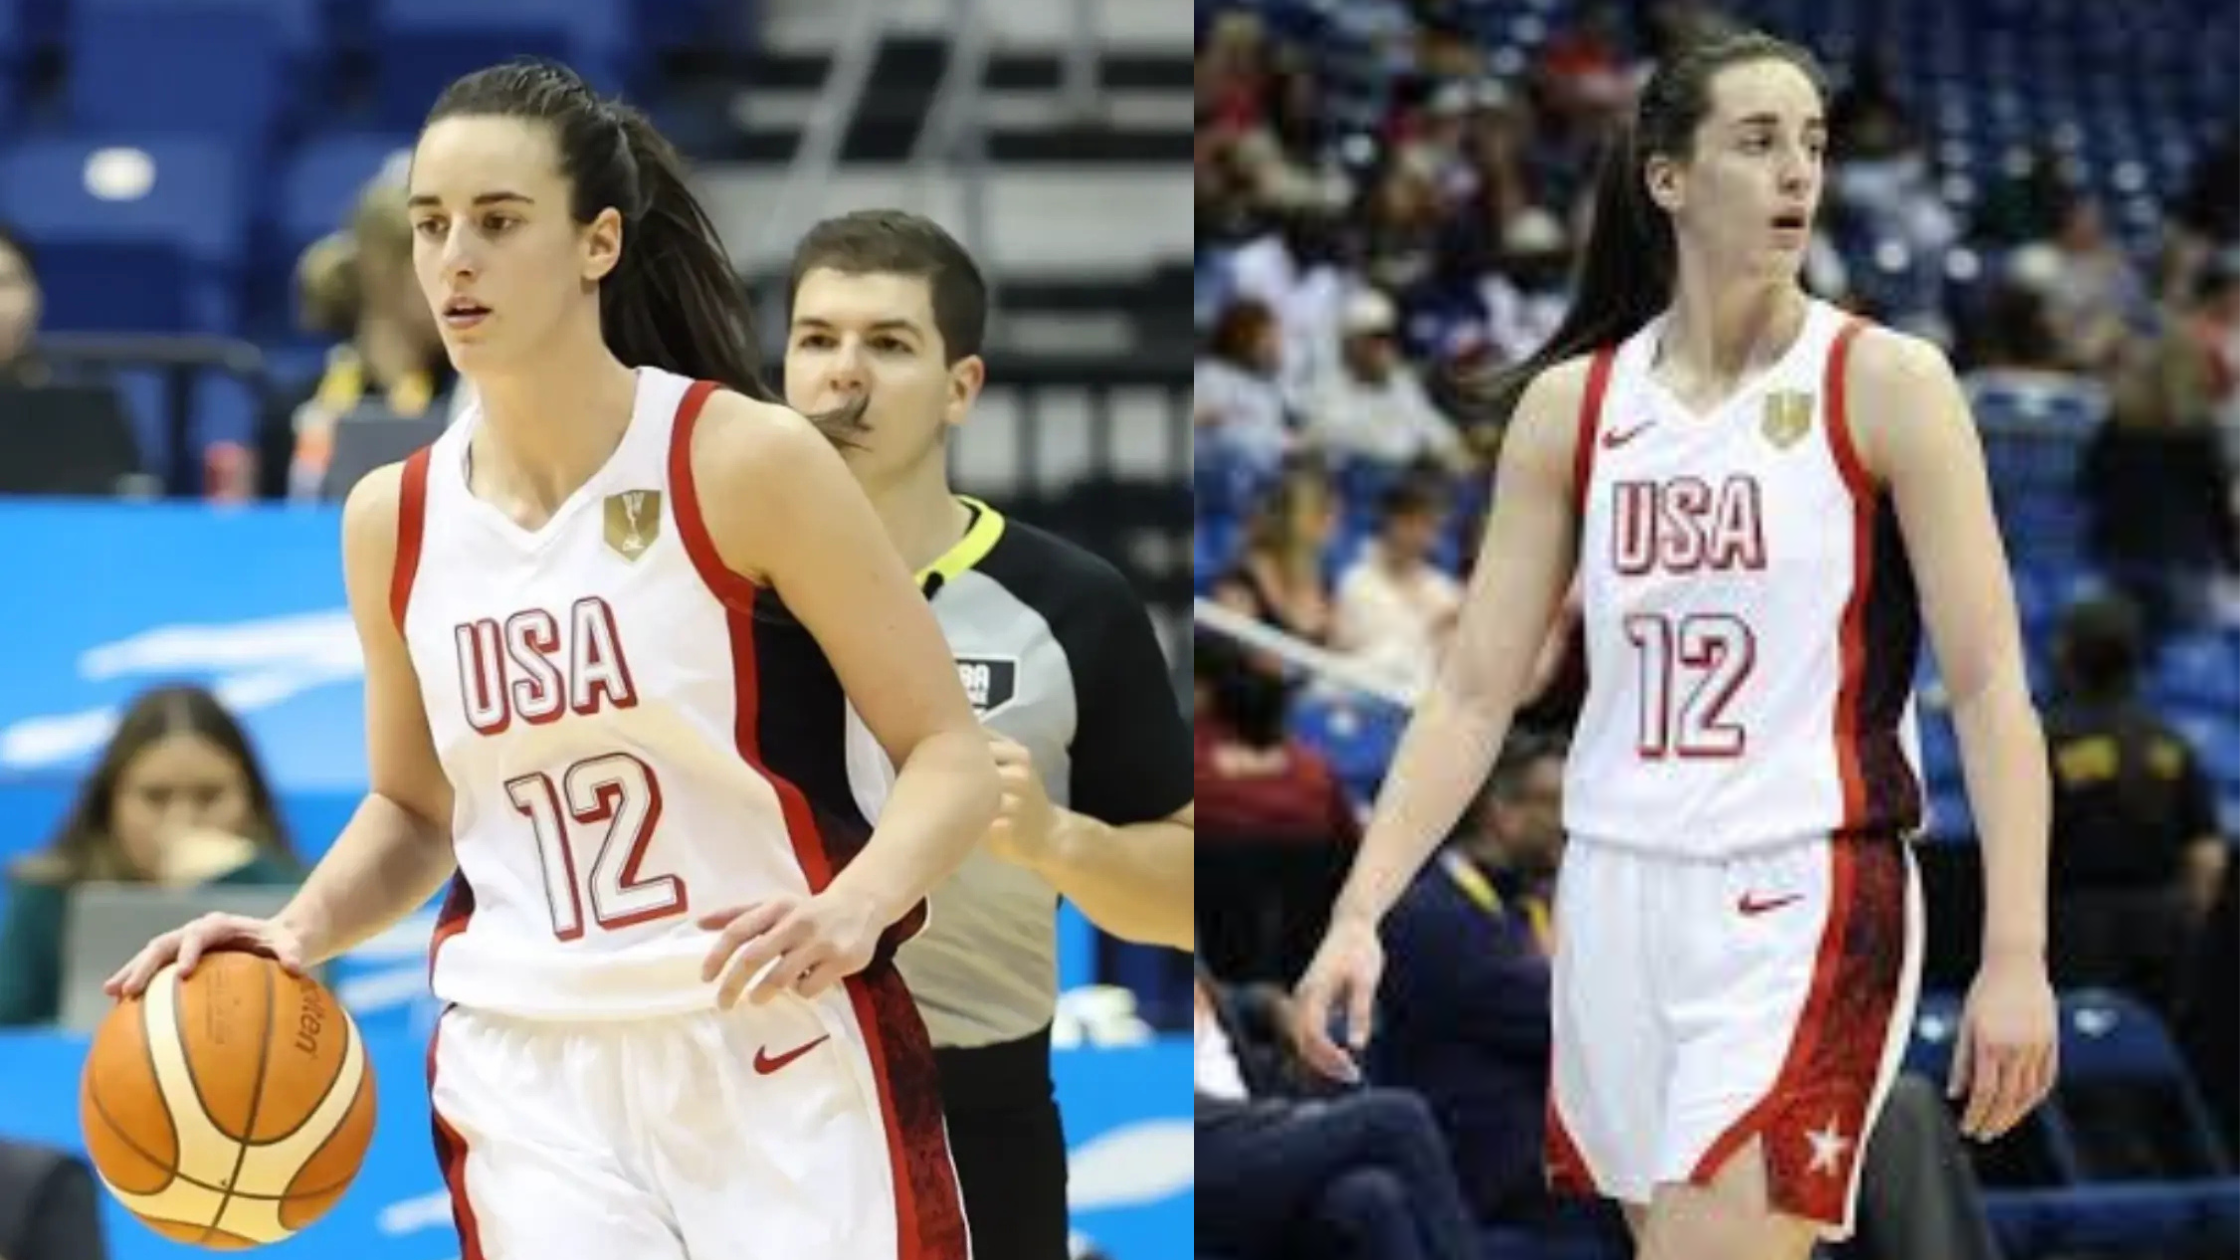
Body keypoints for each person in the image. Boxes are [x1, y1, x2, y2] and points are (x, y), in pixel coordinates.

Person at [106, 59, 999, 1260]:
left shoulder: (740, 460)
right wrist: (296, 931)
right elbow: (417, 811)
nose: (454, 258)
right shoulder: (393, 516)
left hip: (768, 1038)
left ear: (598, 242)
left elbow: (944, 751)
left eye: (498, 220)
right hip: (527, 1063)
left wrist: (855, 907)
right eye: (430, 226)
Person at [1289, 30, 2058, 1260]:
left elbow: (1987, 685)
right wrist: (1359, 904)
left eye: (1810, 144)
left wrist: (2014, 953)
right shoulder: (1575, 406)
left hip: (1804, 881)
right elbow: (1475, 690)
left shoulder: (1887, 381)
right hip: (1612, 889)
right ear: (1665, 177)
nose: (1796, 174)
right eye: (1756, 144)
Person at [781, 208, 1195, 1260]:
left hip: (974, 1108)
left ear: (961, 386)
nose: (844, 376)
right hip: (745, 1100)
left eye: (888, 343)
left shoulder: (1071, 605)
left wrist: (1060, 843)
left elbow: (1192, 896)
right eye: (817, 339)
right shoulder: (708, 591)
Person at [0, 684, 299, 1027]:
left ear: (252, 799)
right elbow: (8, 1032)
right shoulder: (48, 892)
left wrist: (251, 874)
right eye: (155, 797)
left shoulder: (296, 900)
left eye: (210, 796)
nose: (182, 822)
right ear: (110, 801)